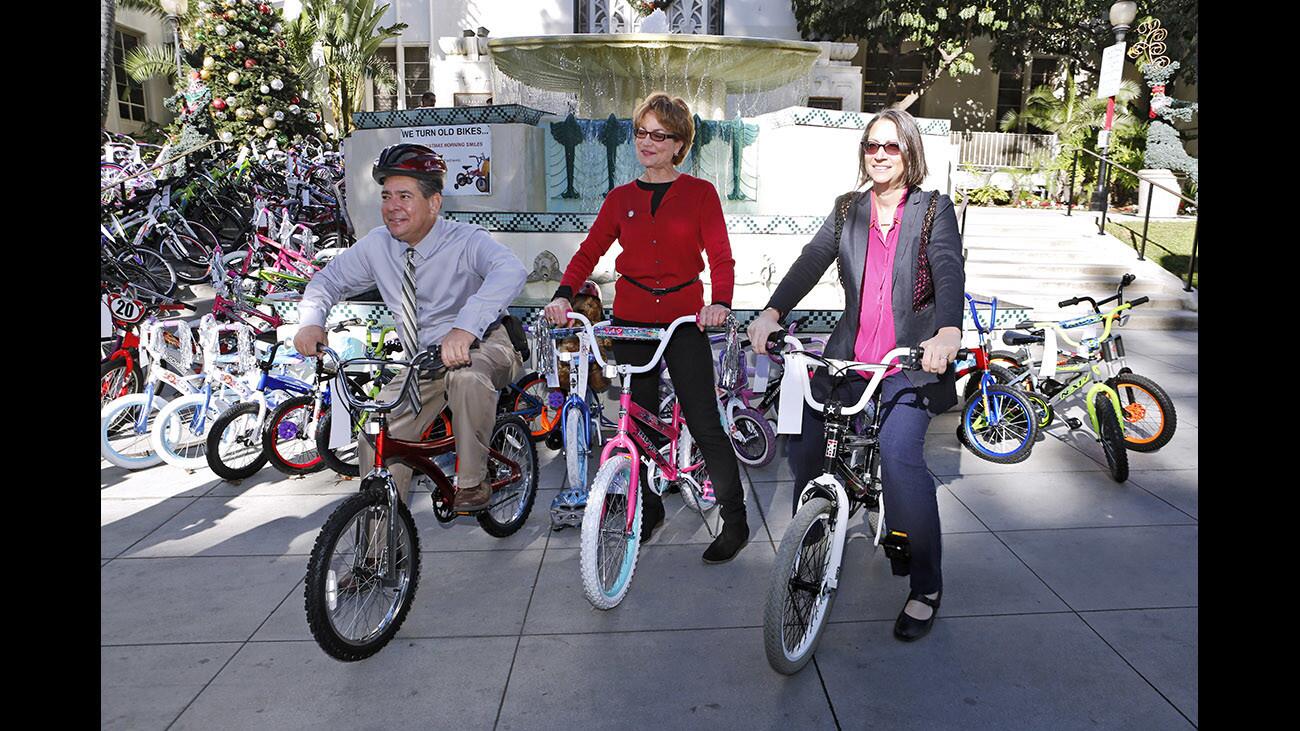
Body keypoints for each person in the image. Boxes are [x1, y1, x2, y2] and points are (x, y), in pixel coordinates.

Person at [747, 109, 965, 642]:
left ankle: (926, 584)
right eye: (872, 145)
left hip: (909, 361)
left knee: (898, 457)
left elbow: (947, 266)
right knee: (803, 439)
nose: (881, 154)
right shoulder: (849, 208)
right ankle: (815, 531)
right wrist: (773, 311)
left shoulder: (933, 209)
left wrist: (948, 332)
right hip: (850, 353)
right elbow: (812, 258)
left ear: (910, 152)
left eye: (892, 146)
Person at [542, 92, 751, 564]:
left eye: (659, 135)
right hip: (633, 321)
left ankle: (735, 522)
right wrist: (562, 293)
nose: (647, 142)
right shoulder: (621, 199)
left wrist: (719, 303)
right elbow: (589, 252)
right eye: (641, 133)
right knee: (636, 417)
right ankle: (650, 506)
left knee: (703, 419)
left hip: (682, 322)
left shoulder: (700, 194)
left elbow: (720, 256)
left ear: (680, 144)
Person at [295, 143, 528, 511]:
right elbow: (328, 281)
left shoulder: (466, 240)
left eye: (405, 195)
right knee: (377, 434)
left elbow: (511, 270)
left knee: (465, 377)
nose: (392, 206)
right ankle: (378, 555)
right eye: (386, 196)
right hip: (423, 360)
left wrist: (465, 328)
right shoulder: (378, 246)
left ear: (434, 203)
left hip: (485, 343)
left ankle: (472, 482)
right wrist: (311, 322)